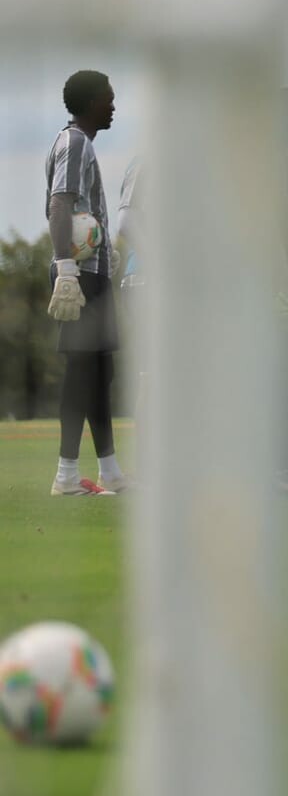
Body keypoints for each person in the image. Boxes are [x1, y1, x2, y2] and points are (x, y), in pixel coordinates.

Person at [45, 70, 128, 495]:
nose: (113, 105)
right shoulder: (75, 142)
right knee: (81, 372)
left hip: (93, 273)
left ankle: (110, 473)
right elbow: (60, 204)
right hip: (78, 275)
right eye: (109, 98)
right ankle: (65, 477)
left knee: (100, 371)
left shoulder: (81, 144)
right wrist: (66, 269)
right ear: (93, 100)